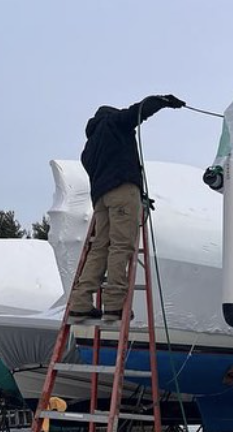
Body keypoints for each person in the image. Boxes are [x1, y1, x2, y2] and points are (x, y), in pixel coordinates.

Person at [67, 94, 186, 324]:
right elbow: (136, 112)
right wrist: (161, 101)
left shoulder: (89, 148)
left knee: (100, 246)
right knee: (121, 245)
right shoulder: (113, 124)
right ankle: (114, 305)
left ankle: (80, 304)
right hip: (123, 191)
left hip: (101, 199)